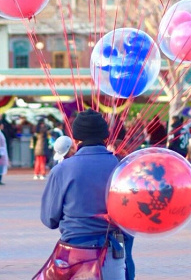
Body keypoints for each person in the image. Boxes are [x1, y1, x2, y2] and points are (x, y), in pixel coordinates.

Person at [39, 109, 126, 279]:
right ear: (105, 137)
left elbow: (49, 219)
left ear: (76, 139)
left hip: (76, 254)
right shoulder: (121, 166)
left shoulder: (62, 170)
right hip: (112, 252)